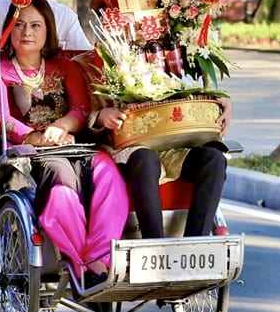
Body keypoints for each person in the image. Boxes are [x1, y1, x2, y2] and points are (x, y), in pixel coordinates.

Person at [0, 0, 128, 287]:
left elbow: (81, 108)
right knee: (61, 179)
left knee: (108, 173)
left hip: (73, 143)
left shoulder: (65, 66)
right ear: (9, 30)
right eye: (20, 25)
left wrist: (61, 126)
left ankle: (101, 258)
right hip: (30, 154)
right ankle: (81, 262)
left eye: (36, 25)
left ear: (47, 29)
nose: (27, 32)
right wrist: (35, 136)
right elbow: (1, 119)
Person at [90, 98, 231, 239]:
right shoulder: (98, 77)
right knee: (145, 160)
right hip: (127, 148)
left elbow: (200, 96)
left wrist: (223, 104)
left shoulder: (174, 75)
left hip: (175, 145)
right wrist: (101, 117)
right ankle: (154, 244)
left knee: (214, 159)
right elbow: (80, 112)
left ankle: (197, 243)